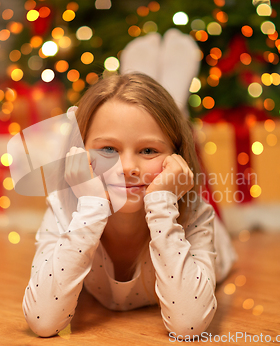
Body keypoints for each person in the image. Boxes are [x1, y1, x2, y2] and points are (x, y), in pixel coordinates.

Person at [22, 72, 236, 337]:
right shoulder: (64, 210)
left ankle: (177, 104)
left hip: (209, 233)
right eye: (108, 149)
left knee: (217, 219)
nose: (127, 168)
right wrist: (92, 205)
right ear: (78, 153)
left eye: (148, 151)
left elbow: (188, 325)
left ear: (176, 159)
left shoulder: (194, 214)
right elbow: (43, 321)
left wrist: (161, 203)